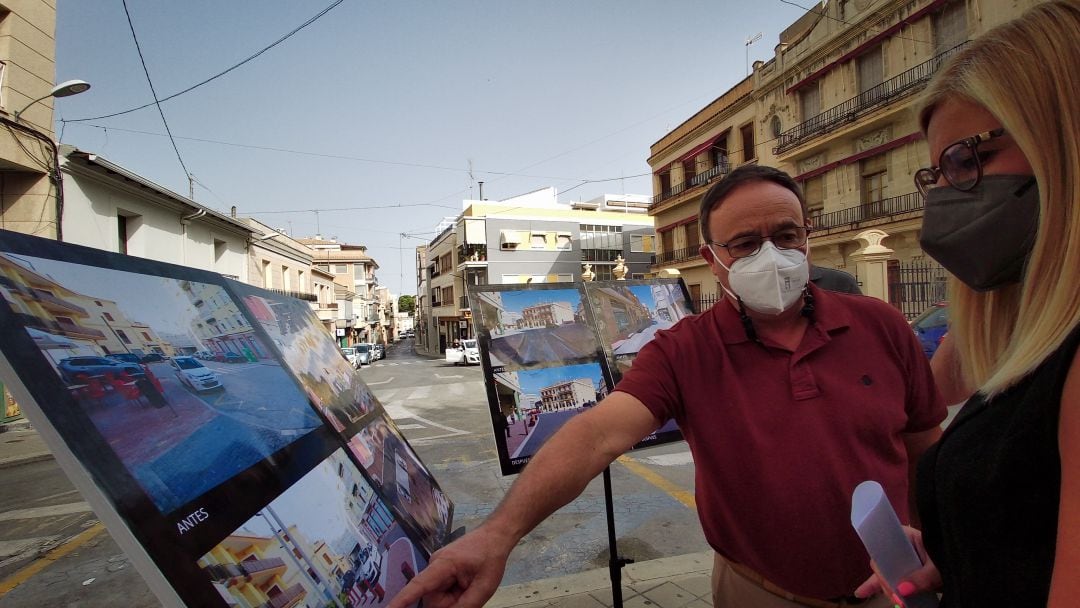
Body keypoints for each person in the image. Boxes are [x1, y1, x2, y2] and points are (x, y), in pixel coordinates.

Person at [390, 165, 945, 608]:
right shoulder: (684, 351)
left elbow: (926, 452)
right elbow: (596, 436)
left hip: (895, 584)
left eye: (786, 235)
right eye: (746, 243)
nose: (771, 255)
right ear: (712, 260)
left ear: (807, 237)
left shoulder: (882, 326)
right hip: (760, 594)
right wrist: (498, 535)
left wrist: (936, 547)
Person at [854, 2, 1080, 605]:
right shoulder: (1034, 343)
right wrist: (964, 554)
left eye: (967, 160)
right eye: (938, 175)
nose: (947, 203)